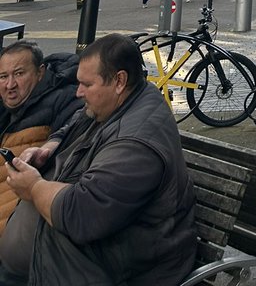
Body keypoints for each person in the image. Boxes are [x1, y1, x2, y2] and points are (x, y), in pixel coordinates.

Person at [0, 33, 197, 286]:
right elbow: (78, 120)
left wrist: (34, 188)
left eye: (87, 85)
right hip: (67, 259)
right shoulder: (123, 99)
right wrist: (49, 147)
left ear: (119, 81)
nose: (78, 92)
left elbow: (80, 214)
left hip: (118, 270)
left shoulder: (135, 145)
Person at [0, 43, 80, 235]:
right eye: (3, 76)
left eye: (19, 74)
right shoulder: (7, 105)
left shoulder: (63, 99)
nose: (10, 84)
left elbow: (72, 129)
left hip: (15, 225)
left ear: (40, 73)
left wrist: (51, 145)